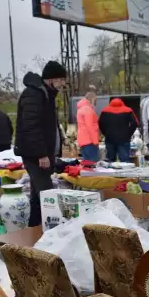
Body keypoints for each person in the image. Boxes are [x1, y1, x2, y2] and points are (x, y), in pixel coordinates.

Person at [15, 60, 66, 227]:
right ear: (51, 79)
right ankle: (51, 232)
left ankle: (33, 229)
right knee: (47, 194)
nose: (63, 83)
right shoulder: (34, 94)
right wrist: (41, 154)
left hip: (42, 152)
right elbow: (31, 125)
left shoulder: (46, 94)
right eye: (60, 79)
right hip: (35, 154)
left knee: (38, 197)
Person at [98, 97, 138, 162]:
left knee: (110, 161)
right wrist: (128, 134)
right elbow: (135, 123)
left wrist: (106, 133)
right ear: (122, 103)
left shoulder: (105, 110)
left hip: (109, 139)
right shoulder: (128, 110)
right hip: (124, 139)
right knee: (125, 161)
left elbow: (100, 123)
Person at [76, 92, 100, 162]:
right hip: (90, 141)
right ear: (92, 99)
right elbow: (90, 126)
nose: (95, 103)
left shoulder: (80, 109)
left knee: (87, 165)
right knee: (94, 165)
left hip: (83, 141)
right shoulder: (88, 109)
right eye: (95, 101)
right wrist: (95, 141)